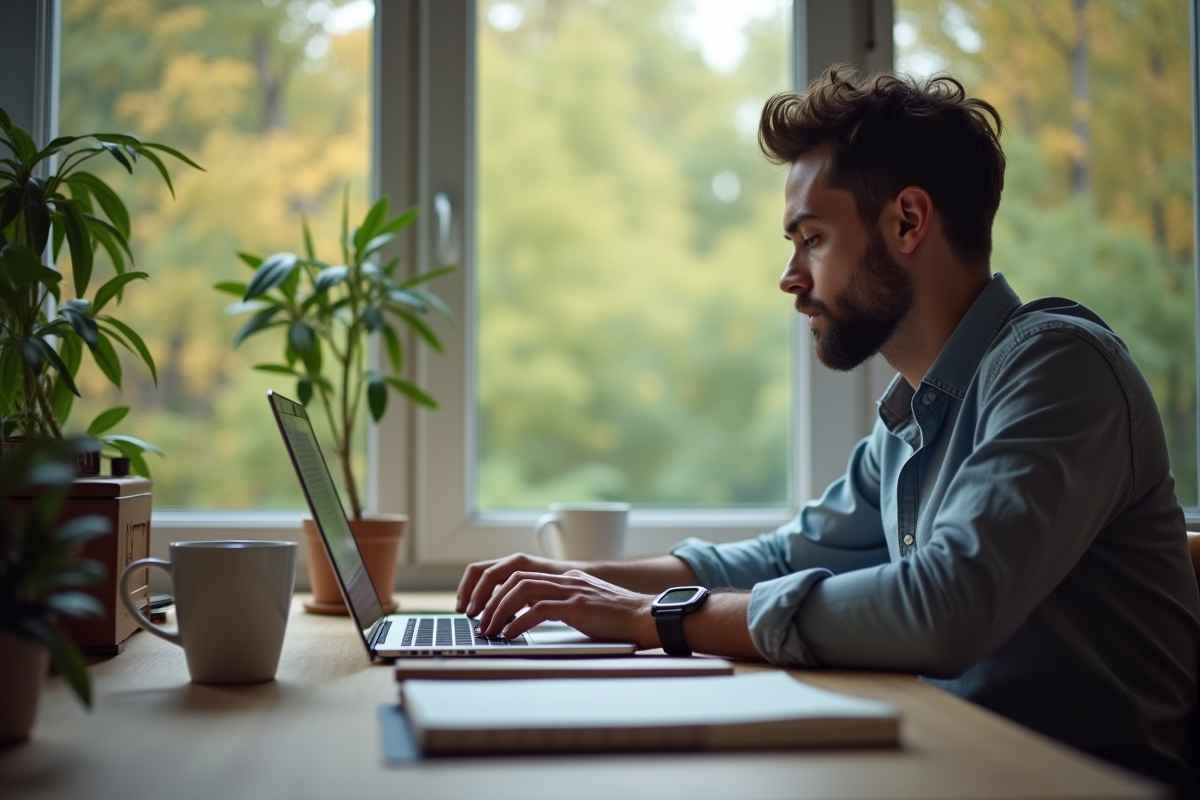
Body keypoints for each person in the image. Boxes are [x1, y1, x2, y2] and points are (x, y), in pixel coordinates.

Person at [455, 66, 1200, 794]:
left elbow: (945, 606)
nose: (790, 275)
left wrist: (657, 620)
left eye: (811, 237)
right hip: (955, 766)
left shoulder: (1059, 370)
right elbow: (785, 555)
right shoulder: (914, 416)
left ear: (908, 220)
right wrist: (573, 588)